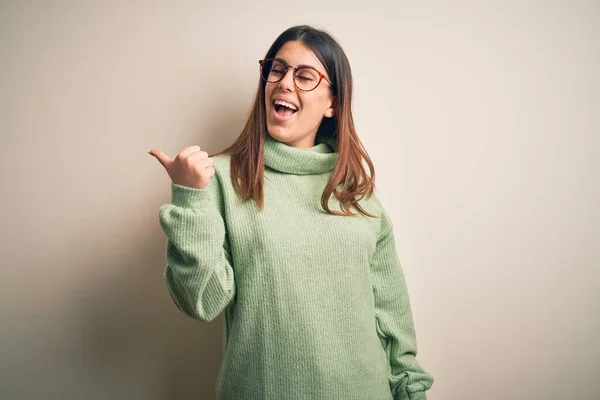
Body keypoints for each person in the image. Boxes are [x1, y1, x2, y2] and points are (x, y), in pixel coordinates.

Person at [149, 25, 433, 400]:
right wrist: (188, 199)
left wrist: (412, 393)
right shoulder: (219, 178)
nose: (284, 83)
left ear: (333, 102)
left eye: (304, 76)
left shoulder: (357, 193)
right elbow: (201, 299)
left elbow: (392, 320)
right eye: (277, 70)